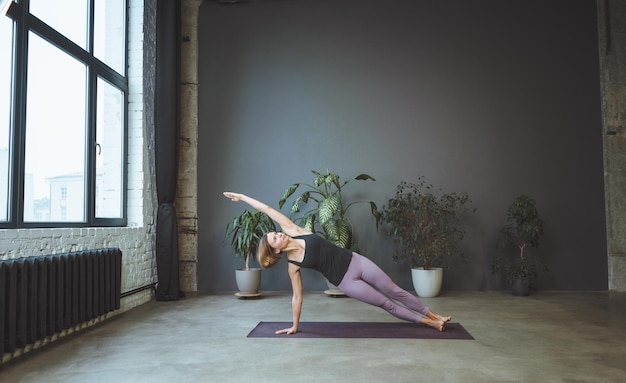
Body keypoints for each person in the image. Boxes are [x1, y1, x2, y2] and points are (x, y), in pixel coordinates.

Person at [223, 191, 452, 334]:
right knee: (386, 304)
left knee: (395, 291)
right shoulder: (293, 265)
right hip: (346, 281)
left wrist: (242, 198)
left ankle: (435, 315)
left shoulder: (295, 230)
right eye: (275, 238)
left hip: (356, 261)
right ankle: (429, 323)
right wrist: (295, 326)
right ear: (275, 250)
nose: (278, 234)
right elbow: (297, 297)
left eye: (276, 233)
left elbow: (268, 209)